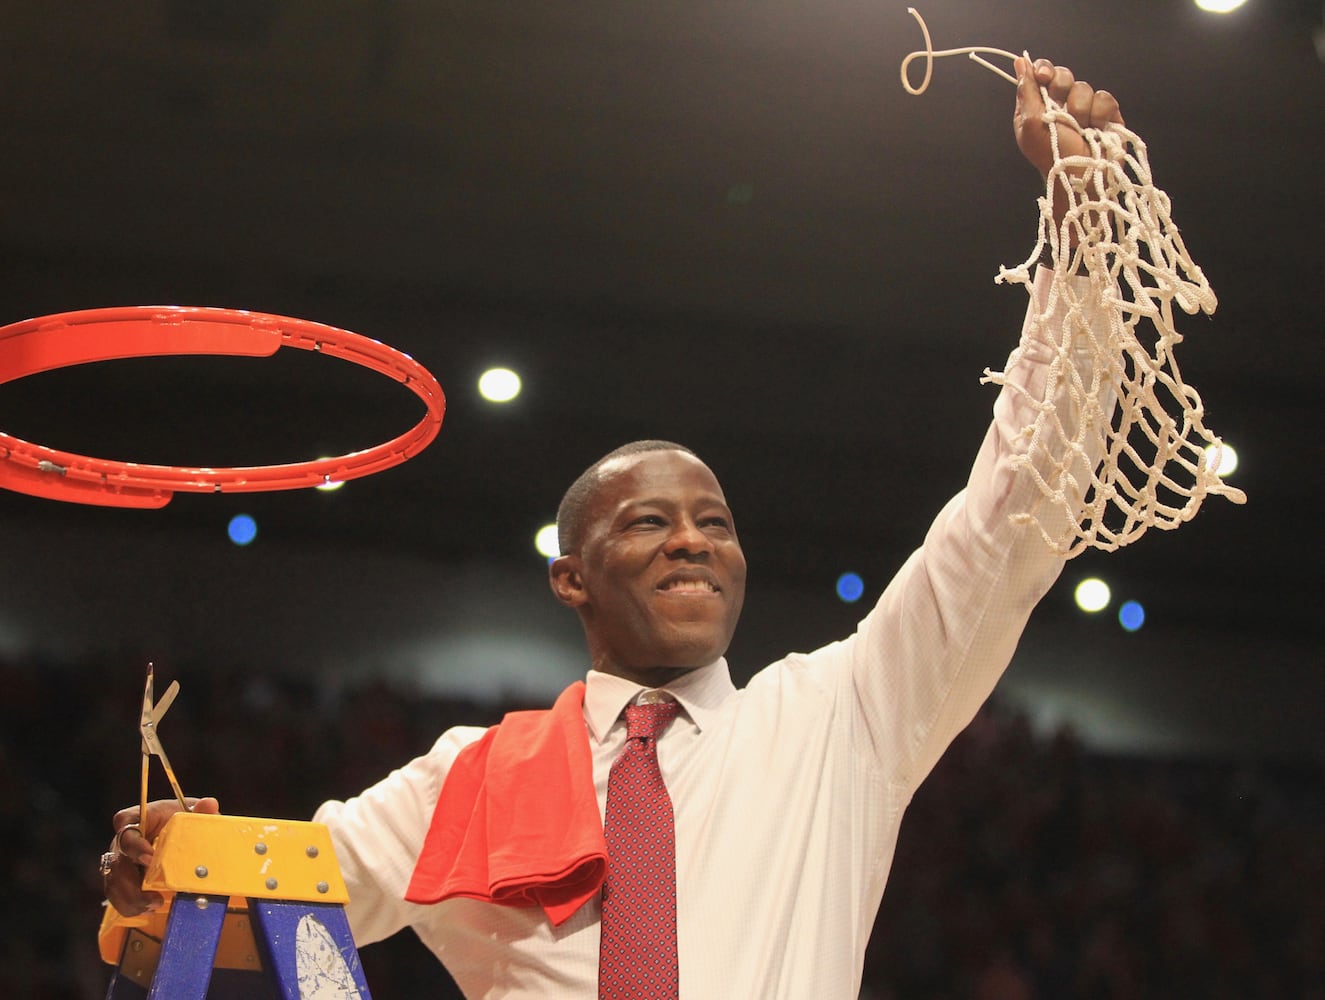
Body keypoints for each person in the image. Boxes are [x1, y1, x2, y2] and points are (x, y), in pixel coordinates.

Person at [105, 57, 1126, 997]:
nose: (693, 541)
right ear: (570, 577)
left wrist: (1077, 243)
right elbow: (264, 913)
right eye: (648, 521)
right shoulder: (471, 774)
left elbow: (1009, 521)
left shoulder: (839, 717)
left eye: (714, 523)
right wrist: (166, 876)